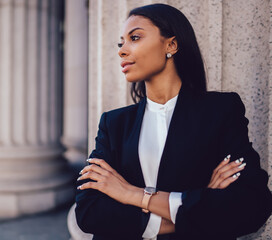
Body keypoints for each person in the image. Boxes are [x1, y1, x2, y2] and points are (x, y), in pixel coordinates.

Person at [74, 3, 272, 240]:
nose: (122, 51)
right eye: (121, 43)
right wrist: (196, 204)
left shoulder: (220, 111)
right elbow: (88, 212)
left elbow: (252, 204)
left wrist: (131, 194)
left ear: (171, 45)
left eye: (134, 38)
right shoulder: (114, 123)